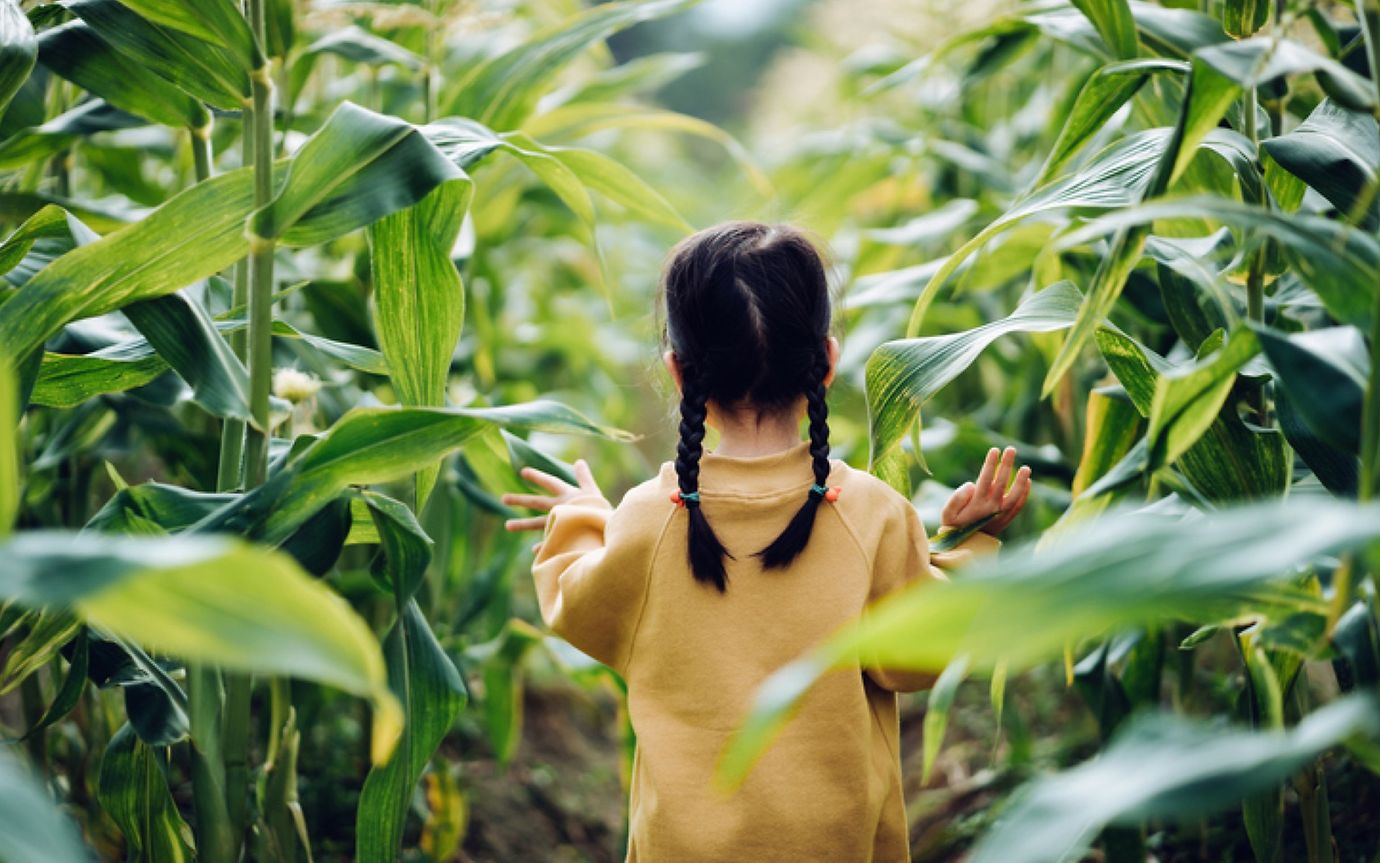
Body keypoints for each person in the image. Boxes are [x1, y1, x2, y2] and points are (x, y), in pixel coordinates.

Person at [501, 221, 1031, 863]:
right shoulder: (870, 515)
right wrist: (970, 544)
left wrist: (582, 517)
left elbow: (577, 602)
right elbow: (920, 654)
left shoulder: (648, 520)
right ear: (828, 362)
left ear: (677, 372)